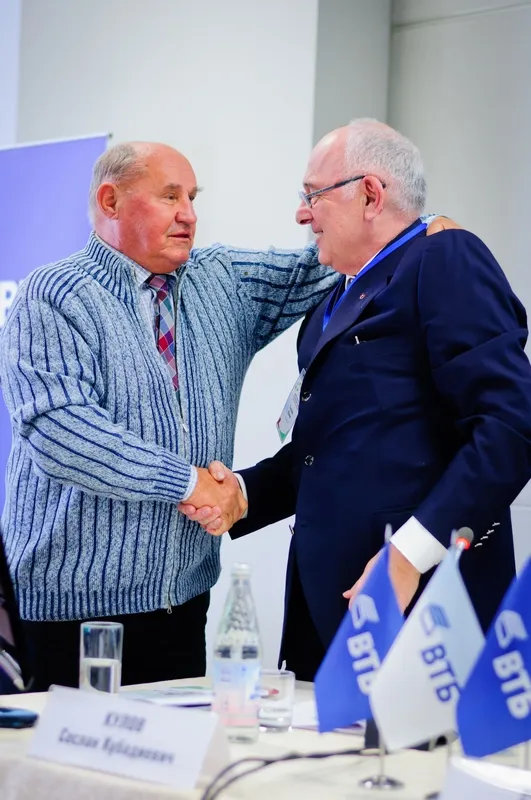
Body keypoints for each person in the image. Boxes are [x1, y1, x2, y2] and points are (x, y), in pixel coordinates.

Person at [0, 140, 450, 690]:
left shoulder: (222, 280)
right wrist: (190, 483)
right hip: (64, 615)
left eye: (192, 197)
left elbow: (330, 260)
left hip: (179, 609)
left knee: (169, 748)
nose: (189, 214)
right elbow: (61, 432)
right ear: (110, 201)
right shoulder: (53, 295)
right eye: (170, 196)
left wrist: (419, 230)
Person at [181, 119, 531, 681]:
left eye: (312, 195)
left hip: (419, 610)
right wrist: (244, 494)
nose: (301, 214)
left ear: (370, 194)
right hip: (325, 612)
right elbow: (325, 450)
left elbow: (510, 424)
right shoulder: (329, 304)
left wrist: (409, 554)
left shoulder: (444, 258)